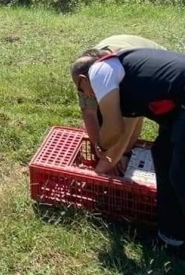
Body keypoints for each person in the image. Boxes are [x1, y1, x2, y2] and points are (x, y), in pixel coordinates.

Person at [71, 47, 185, 253]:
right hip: (178, 109)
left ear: (83, 79)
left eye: (81, 89)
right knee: (163, 155)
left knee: (181, 175)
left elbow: (115, 128)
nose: (86, 95)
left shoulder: (99, 71)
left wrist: (101, 146)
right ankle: (172, 238)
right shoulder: (120, 68)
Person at [78, 35, 166, 173]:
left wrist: (102, 169)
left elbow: (122, 126)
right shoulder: (85, 68)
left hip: (159, 64)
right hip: (133, 58)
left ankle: (125, 153)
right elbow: (89, 113)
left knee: (125, 116)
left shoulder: (107, 73)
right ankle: (123, 154)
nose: (89, 95)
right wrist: (98, 147)